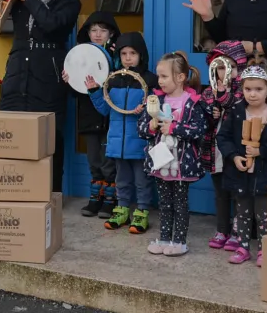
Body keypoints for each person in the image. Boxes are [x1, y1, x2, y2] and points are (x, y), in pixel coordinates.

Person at [0, 0, 81, 191]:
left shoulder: (70, 2)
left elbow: (51, 24)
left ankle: (50, 196)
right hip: (18, 72)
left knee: (50, 139)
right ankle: (13, 189)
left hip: (49, 76)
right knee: (13, 135)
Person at [217, 63, 267, 266]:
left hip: (266, 176)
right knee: (242, 213)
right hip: (241, 175)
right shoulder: (237, 112)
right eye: (248, 89)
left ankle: (264, 249)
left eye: (258, 89)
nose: (253, 94)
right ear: (241, 90)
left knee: (264, 216)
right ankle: (242, 247)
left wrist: (262, 151)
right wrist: (234, 156)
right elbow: (223, 137)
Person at [88, 32, 157, 234]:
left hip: (140, 143)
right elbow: (105, 109)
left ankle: (142, 211)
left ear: (141, 55)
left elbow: (155, 110)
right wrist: (94, 91)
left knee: (142, 180)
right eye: (124, 53)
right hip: (118, 144)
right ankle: (122, 209)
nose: (128, 57)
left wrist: (144, 110)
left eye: (133, 53)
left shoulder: (149, 81)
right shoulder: (114, 80)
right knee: (122, 180)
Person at [139, 52, 207, 256]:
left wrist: (174, 128)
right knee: (164, 203)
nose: (159, 81)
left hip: (181, 164)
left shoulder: (192, 102)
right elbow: (141, 130)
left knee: (180, 203)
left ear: (180, 77)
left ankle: (179, 241)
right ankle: (165, 238)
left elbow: (199, 130)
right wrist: (151, 126)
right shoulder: (155, 100)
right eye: (159, 76)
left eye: (164, 76)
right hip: (161, 163)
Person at [65, 11, 120, 218]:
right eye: (94, 30)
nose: (98, 34)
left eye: (103, 30)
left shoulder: (118, 55)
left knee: (109, 160)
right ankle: (95, 198)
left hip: (108, 115)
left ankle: (110, 199)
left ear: (111, 33)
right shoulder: (78, 55)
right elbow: (74, 92)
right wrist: (69, 80)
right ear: (87, 32)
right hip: (88, 114)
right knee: (93, 158)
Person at [200, 40, 248, 251]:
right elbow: (203, 119)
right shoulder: (208, 92)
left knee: (238, 192)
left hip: (235, 150)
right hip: (215, 150)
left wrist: (223, 97)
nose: (225, 72)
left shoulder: (243, 90)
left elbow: (235, 104)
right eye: (220, 67)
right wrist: (212, 113)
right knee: (220, 192)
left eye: (231, 67)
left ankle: (238, 232)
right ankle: (222, 229)